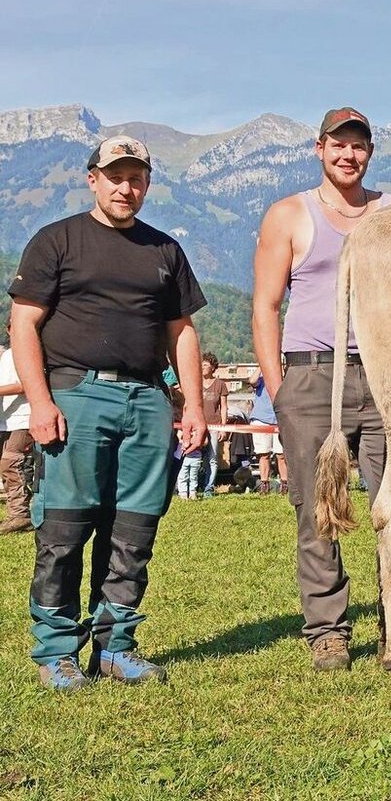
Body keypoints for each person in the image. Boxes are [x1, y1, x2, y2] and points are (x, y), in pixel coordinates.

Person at [9, 134, 207, 690]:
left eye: (137, 177)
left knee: (135, 530)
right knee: (65, 528)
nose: (126, 186)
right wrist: (41, 401)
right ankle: (56, 651)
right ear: (93, 178)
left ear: (147, 184)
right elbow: (24, 324)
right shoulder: (57, 241)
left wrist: (191, 404)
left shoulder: (164, 251)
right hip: (76, 395)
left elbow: (182, 332)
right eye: (115, 175)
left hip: (148, 399)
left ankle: (116, 647)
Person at [252, 107, 391, 671]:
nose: (348, 155)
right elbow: (265, 305)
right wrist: (279, 386)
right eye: (338, 144)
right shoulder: (289, 215)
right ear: (319, 148)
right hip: (311, 375)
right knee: (317, 509)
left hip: (385, 374)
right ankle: (327, 629)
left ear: (369, 154)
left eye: (358, 146)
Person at [0, 323, 35, 533]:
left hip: (25, 418)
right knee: (6, 465)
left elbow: (24, 384)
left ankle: (20, 515)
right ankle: (16, 512)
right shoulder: (7, 356)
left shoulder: (31, 353)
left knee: (11, 462)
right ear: (9, 330)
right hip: (7, 419)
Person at [249, 368, 288, 495]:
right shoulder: (261, 380)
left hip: (280, 419)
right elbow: (252, 380)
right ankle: (264, 484)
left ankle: (284, 484)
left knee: (281, 455)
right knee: (263, 454)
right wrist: (261, 365)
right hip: (261, 419)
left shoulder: (284, 380)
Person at [199, 352, 227, 496]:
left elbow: (223, 407)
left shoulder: (220, 384)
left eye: (205, 365)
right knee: (194, 456)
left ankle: (208, 487)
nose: (202, 367)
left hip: (215, 426)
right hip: (198, 425)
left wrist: (223, 427)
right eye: (201, 364)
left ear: (213, 368)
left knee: (213, 458)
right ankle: (191, 485)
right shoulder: (195, 382)